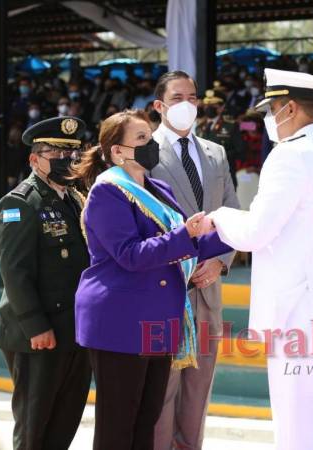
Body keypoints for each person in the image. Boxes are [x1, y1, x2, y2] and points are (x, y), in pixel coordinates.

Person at [208, 68, 313, 450]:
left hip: (298, 312)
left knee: (298, 429)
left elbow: (256, 232)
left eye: (271, 109)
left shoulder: (289, 156)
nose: (267, 119)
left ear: (290, 108)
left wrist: (216, 218)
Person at [74, 110, 232, 450]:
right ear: (117, 152)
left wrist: (232, 233)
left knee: (147, 421)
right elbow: (130, 254)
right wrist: (186, 234)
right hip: (122, 319)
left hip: (158, 318)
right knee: (118, 425)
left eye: (151, 137)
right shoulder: (109, 192)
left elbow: (185, 245)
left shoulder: (157, 188)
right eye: (142, 139)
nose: (151, 145)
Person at [149, 72, 240, 450]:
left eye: (193, 96)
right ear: (159, 106)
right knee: (162, 389)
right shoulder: (145, 151)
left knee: (199, 389)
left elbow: (232, 212)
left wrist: (221, 261)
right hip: (164, 288)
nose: (187, 103)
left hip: (208, 287)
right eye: (177, 97)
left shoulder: (215, 152)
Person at [0, 116, 92, 450]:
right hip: (38, 334)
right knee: (34, 427)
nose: (68, 162)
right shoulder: (19, 203)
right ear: (34, 160)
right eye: (57, 154)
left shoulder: (77, 198)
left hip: (74, 330)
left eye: (73, 154)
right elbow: (14, 272)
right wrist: (36, 327)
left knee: (65, 421)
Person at [195, 88, 245, 187]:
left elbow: (240, 151)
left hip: (224, 177)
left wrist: (219, 154)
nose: (209, 107)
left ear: (221, 107)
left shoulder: (231, 126)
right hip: (204, 179)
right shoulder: (199, 128)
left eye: (213, 105)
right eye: (207, 105)